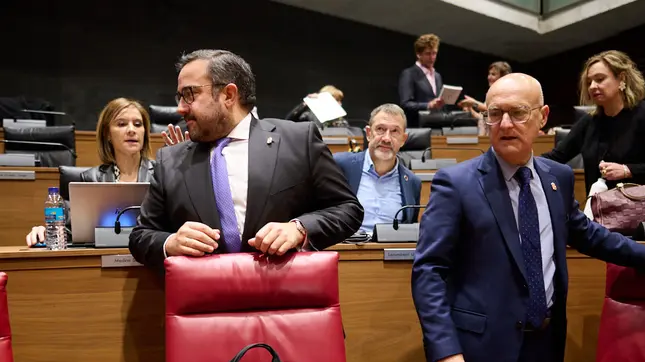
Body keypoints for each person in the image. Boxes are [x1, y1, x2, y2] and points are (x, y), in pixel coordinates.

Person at [411, 73, 645, 362]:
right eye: (495, 113)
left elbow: (586, 233)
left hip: (541, 350)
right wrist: (445, 351)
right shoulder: (456, 183)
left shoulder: (558, 177)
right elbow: (428, 272)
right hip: (476, 358)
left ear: (543, 117)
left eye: (518, 112)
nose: (505, 123)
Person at [128, 49, 363, 269]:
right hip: (204, 304)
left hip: (286, 301)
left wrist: (299, 229)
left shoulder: (298, 140)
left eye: (190, 94)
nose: (180, 108)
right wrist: (170, 243)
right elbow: (141, 236)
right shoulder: (170, 160)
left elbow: (347, 209)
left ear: (229, 95)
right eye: (180, 96)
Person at [541, 50, 645, 198]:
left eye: (600, 79)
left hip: (643, 210)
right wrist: (521, 161)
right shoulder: (589, 122)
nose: (593, 86)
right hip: (601, 210)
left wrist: (627, 170)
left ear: (621, 79)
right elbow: (555, 157)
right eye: (589, 82)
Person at [25, 98, 155, 246]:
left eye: (138, 124)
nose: (132, 130)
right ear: (107, 134)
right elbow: (72, 231)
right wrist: (45, 231)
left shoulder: (161, 173)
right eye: (122, 124)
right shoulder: (92, 178)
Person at [333, 104, 421, 234]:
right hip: (346, 251)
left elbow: (409, 233)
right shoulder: (340, 165)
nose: (386, 138)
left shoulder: (412, 182)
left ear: (403, 139)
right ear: (369, 133)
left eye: (395, 131)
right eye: (380, 129)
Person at [399, 33, 444, 127]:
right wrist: (428, 105)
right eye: (428, 54)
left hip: (437, 127)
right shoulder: (409, 74)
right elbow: (405, 104)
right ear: (418, 54)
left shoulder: (437, 76)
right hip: (418, 128)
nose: (432, 58)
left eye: (434, 53)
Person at [458, 61, 512, 135]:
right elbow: (482, 118)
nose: (489, 77)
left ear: (502, 77)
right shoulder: (490, 94)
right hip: (484, 139)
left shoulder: (504, 93)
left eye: (493, 74)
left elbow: (494, 110)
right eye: (489, 74)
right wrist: (470, 109)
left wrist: (473, 103)